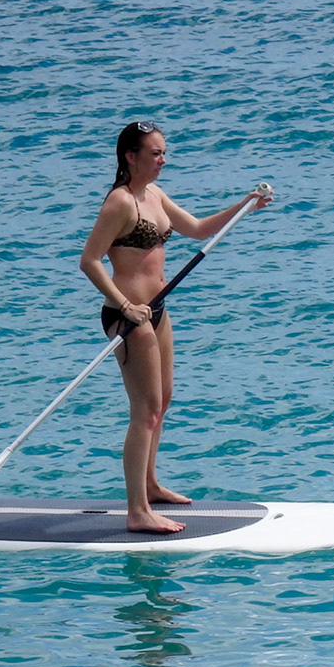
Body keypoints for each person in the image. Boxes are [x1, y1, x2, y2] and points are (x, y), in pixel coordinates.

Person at [79, 121, 272, 534]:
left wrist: (243, 207)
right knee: (144, 412)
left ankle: (150, 484)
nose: (163, 160)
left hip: (157, 309)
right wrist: (126, 305)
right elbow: (90, 261)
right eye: (155, 153)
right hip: (129, 316)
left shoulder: (154, 195)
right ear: (131, 156)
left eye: (164, 152)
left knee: (162, 402)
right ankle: (137, 511)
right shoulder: (120, 202)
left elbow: (198, 229)